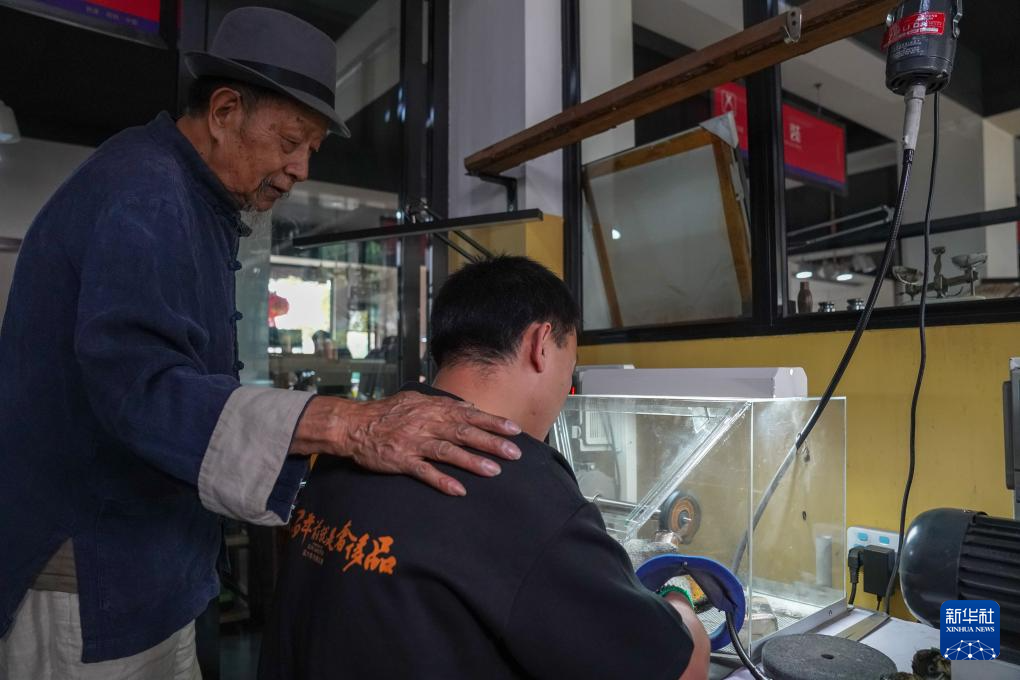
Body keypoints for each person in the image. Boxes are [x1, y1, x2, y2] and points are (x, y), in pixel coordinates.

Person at [0, 8, 523, 679]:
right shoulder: (146, 192)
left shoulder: (192, 199)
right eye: (290, 141)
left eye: (311, 150)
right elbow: (140, 390)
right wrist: (348, 425)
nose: (299, 167)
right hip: (95, 576)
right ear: (224, 111)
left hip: (152, 563)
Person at [258, 256, 711, 680]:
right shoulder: (515, 481)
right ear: (540, 344)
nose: (565, 387)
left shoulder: (350, 445)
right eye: (570, 367)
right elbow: (678, 668)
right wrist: (679, 599)